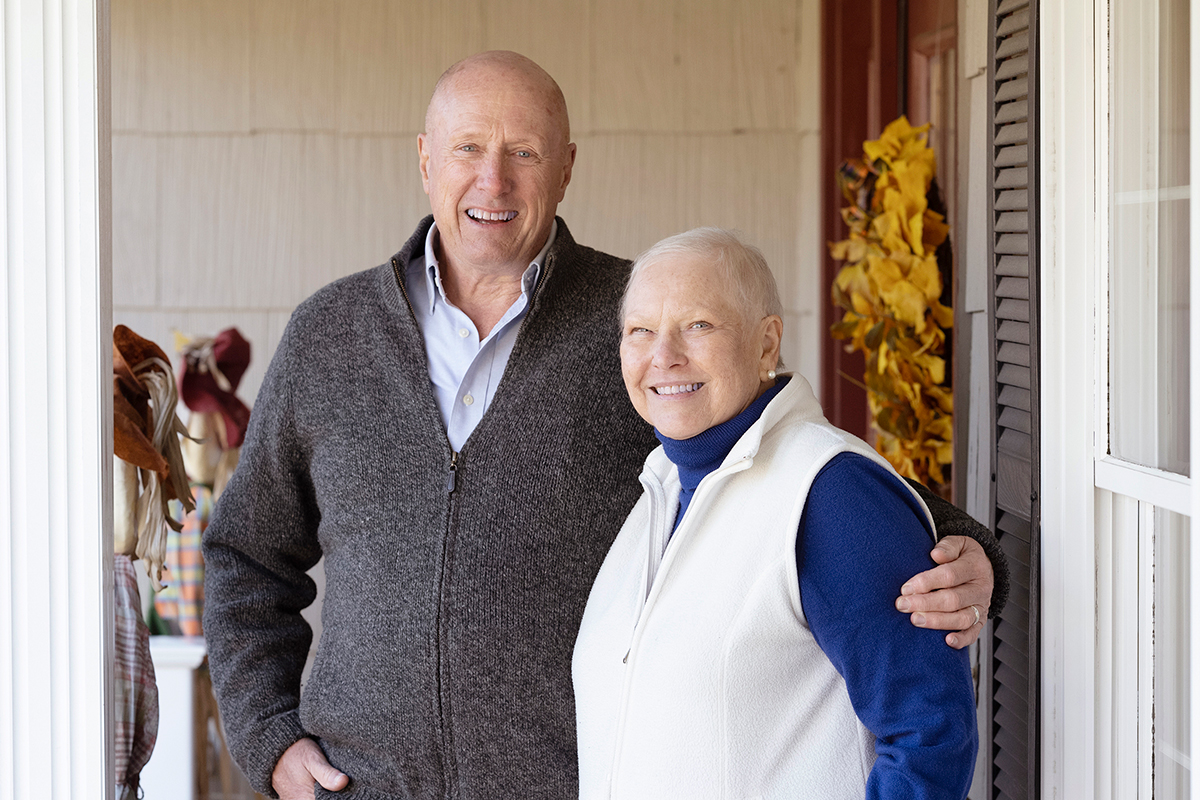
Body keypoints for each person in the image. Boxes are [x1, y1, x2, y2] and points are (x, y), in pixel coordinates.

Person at [202, 51, 1004, 800]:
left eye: (524, 152)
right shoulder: (331, 337)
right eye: (467, 148)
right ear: (424, 160)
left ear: (567, 168)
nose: (494, 178)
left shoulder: (642, 324)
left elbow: (794, 463)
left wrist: (967, 549)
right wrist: (272, 738)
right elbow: (246, 556)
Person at [573, 228, 977, 799]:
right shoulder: (661, 487)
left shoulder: (831, 493)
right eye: (640, 331)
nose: (663, 356)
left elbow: (931, 735)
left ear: (766, 345)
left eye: (698, 325)